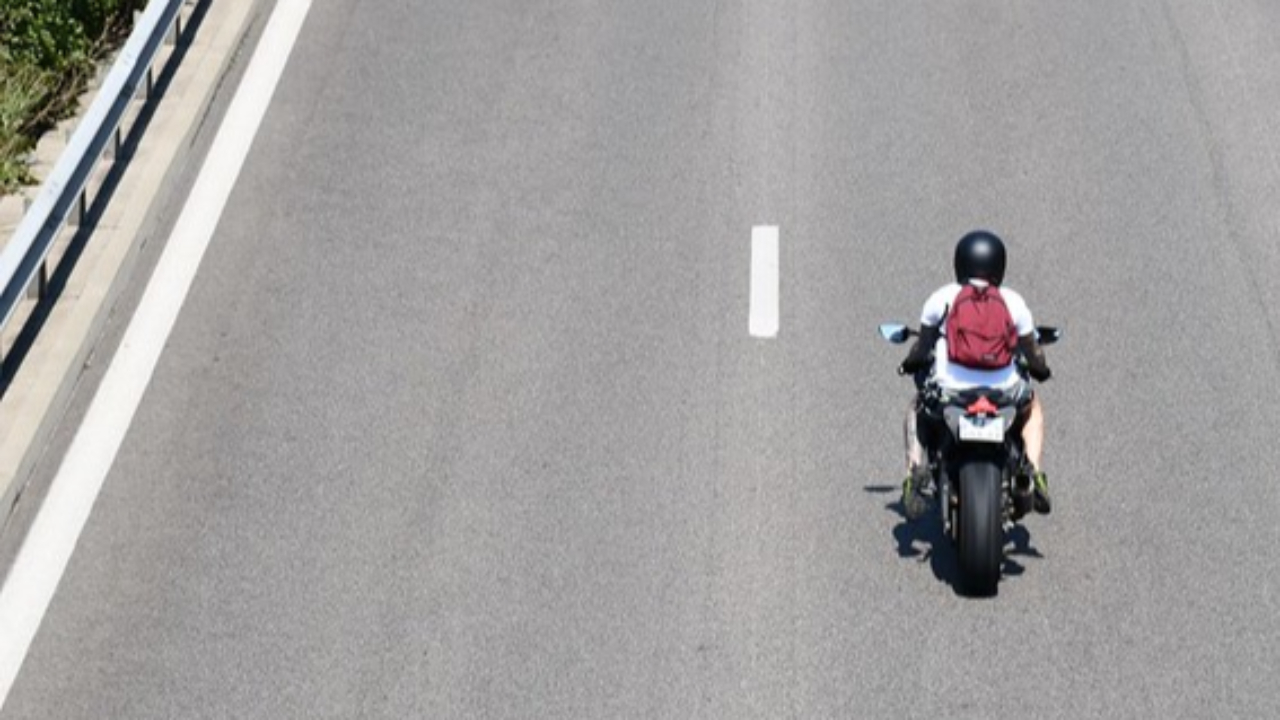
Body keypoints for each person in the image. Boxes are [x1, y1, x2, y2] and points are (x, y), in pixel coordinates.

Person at [897, 230, 1052, 520]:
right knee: (1033, 407)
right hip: (1003, 393)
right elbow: (1032, 351)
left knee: (916, 409)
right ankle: (1034, 472)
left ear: (960, 263)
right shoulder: (1012, 301)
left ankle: (913, 476)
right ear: (999, 265)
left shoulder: (941, 298)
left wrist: (909, 363)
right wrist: (1041, 369)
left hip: (950, 392)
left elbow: (923, 346)